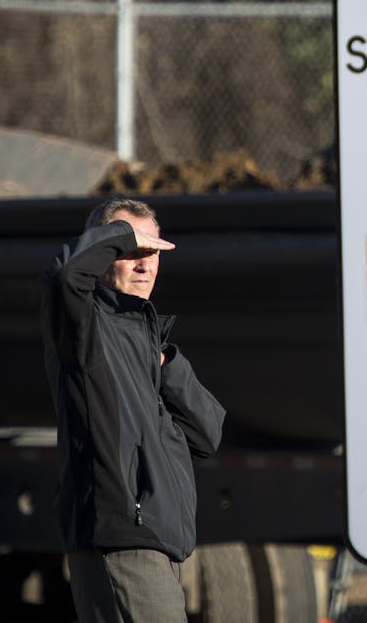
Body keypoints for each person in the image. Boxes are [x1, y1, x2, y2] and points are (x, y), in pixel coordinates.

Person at [42, 196, 224, 623]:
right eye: (132, 254)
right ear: (105, 252)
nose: (145, 265)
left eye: (154, 252)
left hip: (159, 541)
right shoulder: (84, 325)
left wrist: (168, 364)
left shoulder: (148, 340)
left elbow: (208, 434)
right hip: (121, 538)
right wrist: (119, 235)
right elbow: (65, 274)